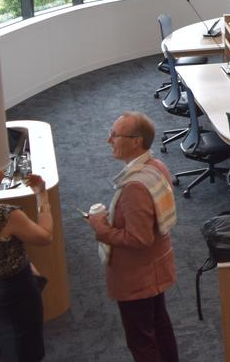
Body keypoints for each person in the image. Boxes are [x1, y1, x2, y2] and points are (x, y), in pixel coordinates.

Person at [86, 112, 179, 362]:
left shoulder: (135, 187)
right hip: (156, 267)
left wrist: (100, 227)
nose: (109, 140)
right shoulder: (156, 166)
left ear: (136, 141)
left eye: (115, 135)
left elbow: (139, 239)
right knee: (160, 326)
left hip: (138, 277)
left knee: (142, 341)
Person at [0, 168, 53, 361]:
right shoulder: (5, 215)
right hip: (17, 289)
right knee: (24, 346)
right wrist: (42, 194)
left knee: (0, 343)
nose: (4, 171)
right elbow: (45, 236)